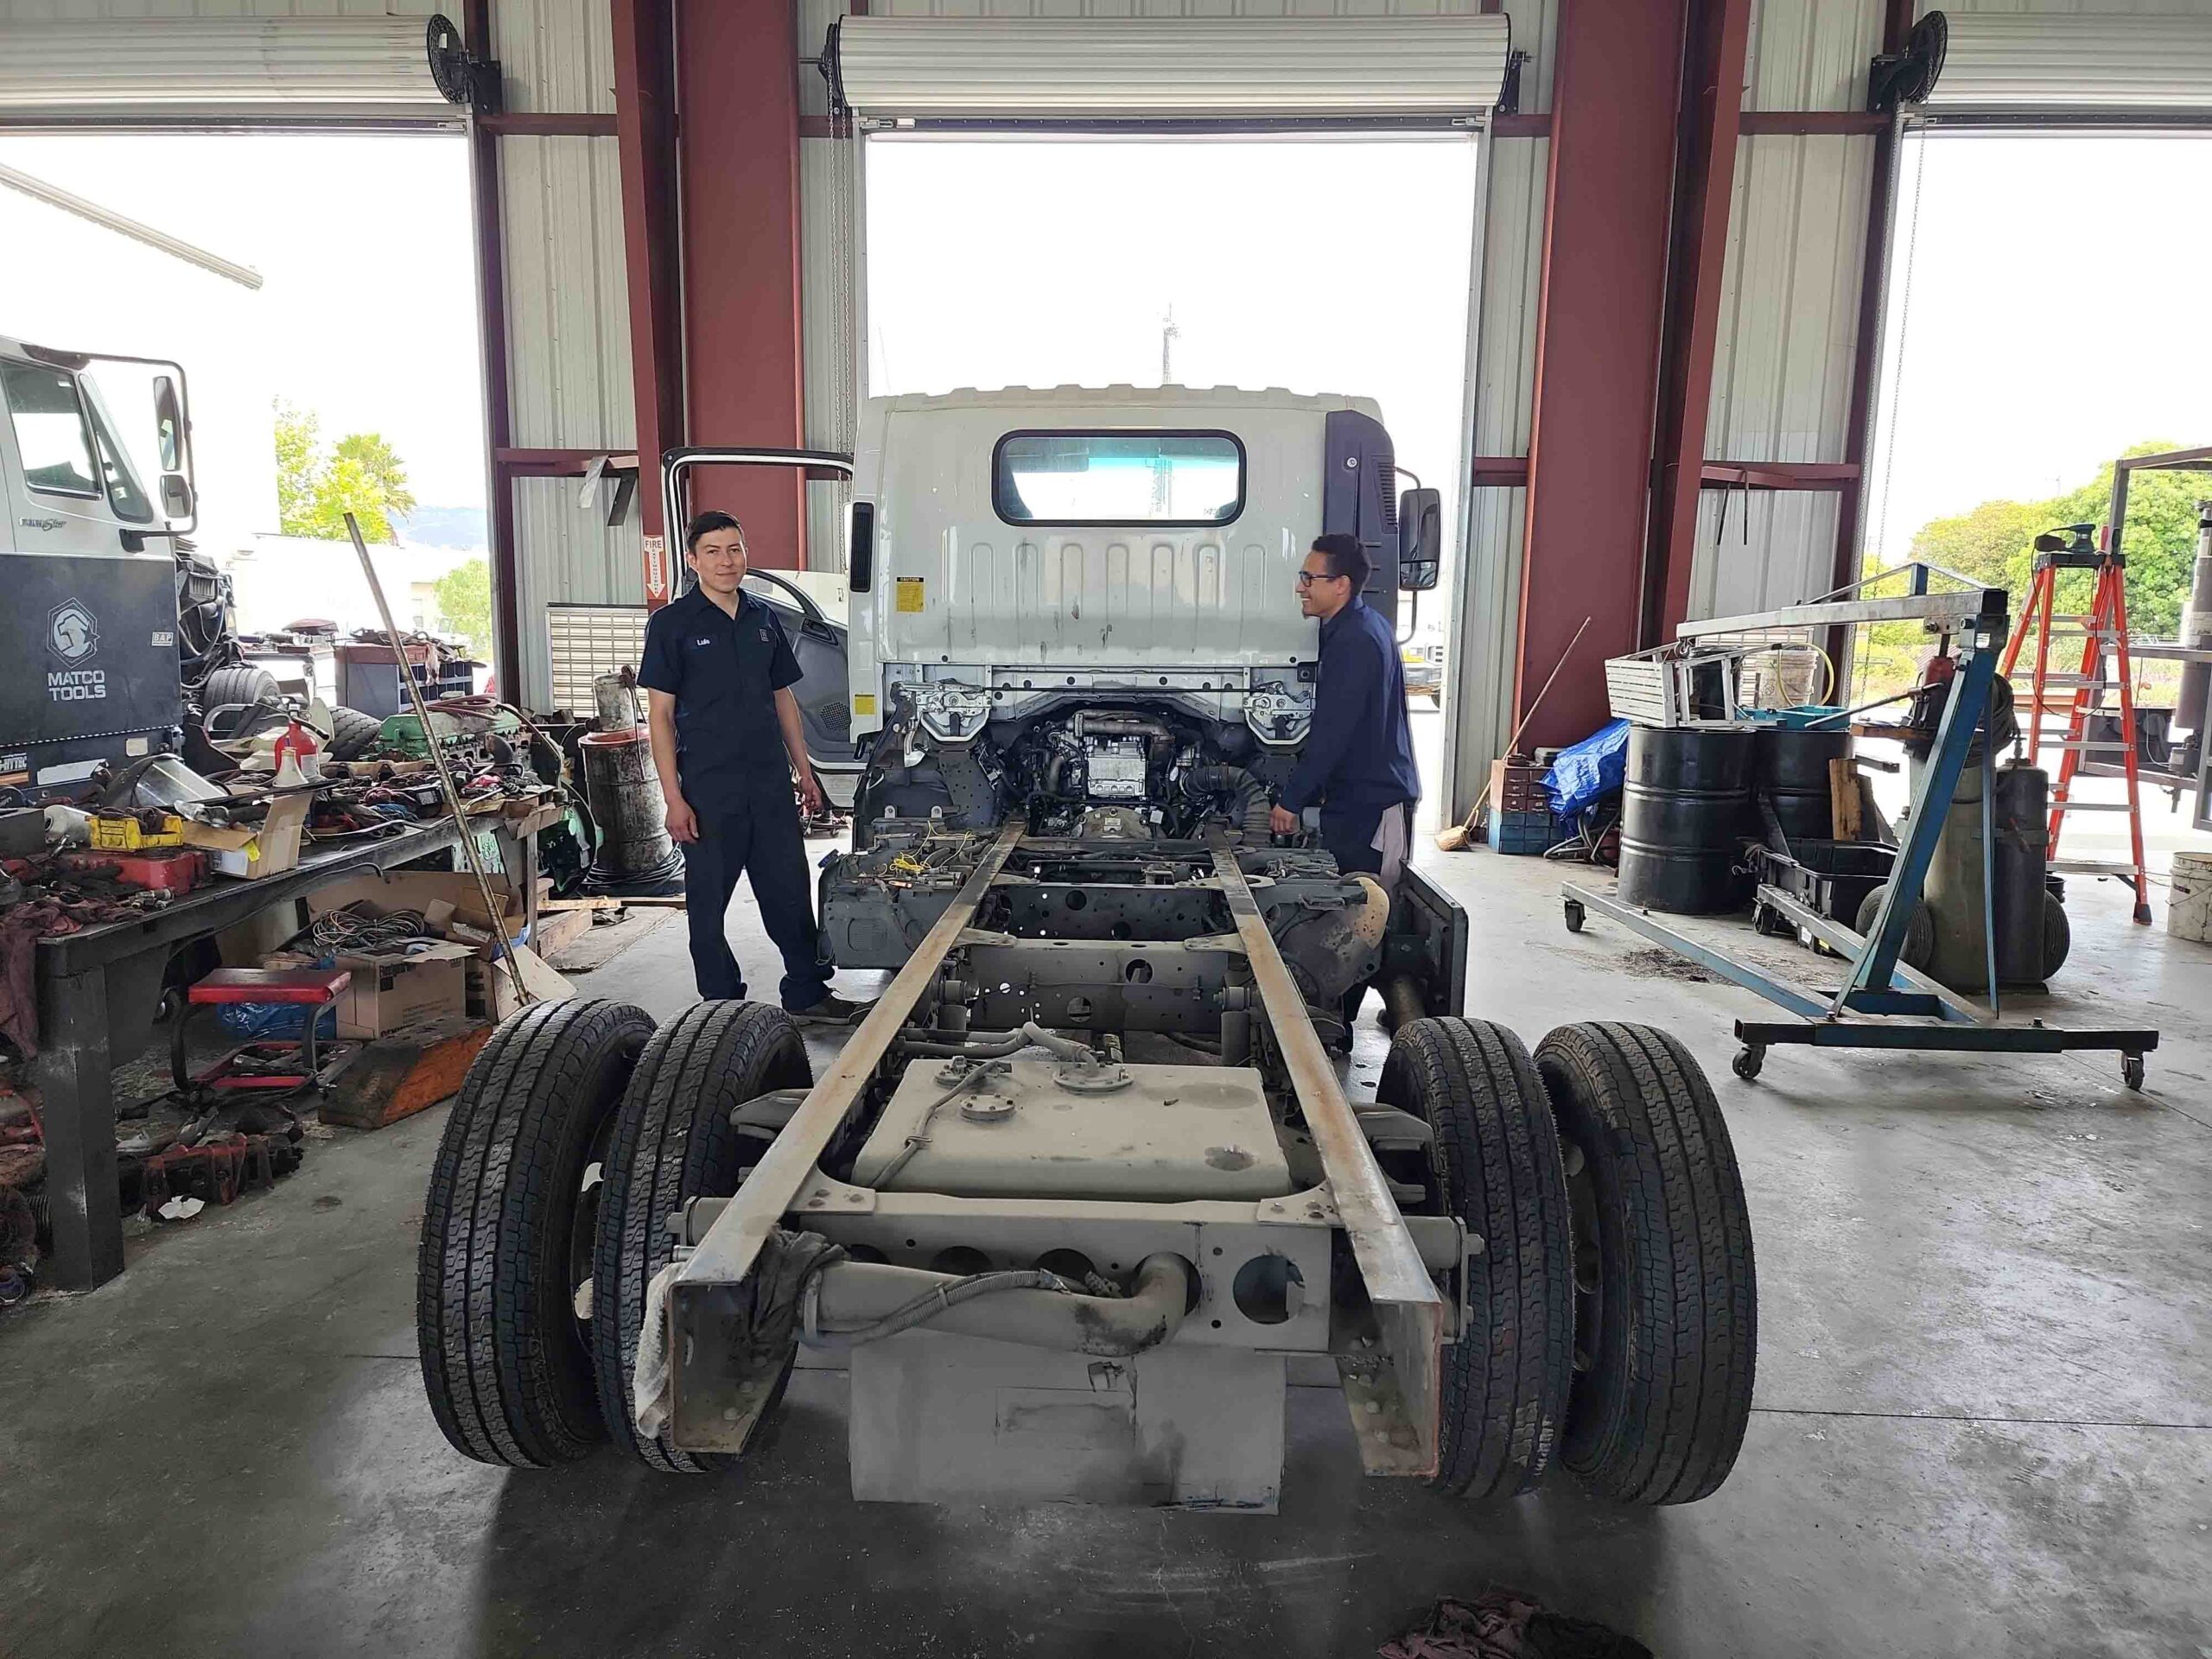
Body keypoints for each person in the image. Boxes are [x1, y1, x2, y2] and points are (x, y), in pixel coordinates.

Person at [638, 511, 868, 1021]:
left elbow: (783, 697)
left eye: (736, 549)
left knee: (788, 891)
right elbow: (660, 715)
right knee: (709, 903)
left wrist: (805, 772)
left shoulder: (764, 618)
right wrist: (674, 798)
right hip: (707, 788)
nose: (727, 561)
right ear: (693, 560)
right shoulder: (672, 625)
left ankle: (807, 992)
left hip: (768, 784)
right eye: (715, 551)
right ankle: (721, 1006)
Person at [1270, 532, 1421, 890]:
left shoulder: (1355, 641)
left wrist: (1291, 801)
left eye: (1310, 578)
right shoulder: (1362, 626)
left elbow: (1333, 733)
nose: (1300, 587)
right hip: (1360, 803)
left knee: (1365, 910)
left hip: (1371, 810)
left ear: (1341, 585)